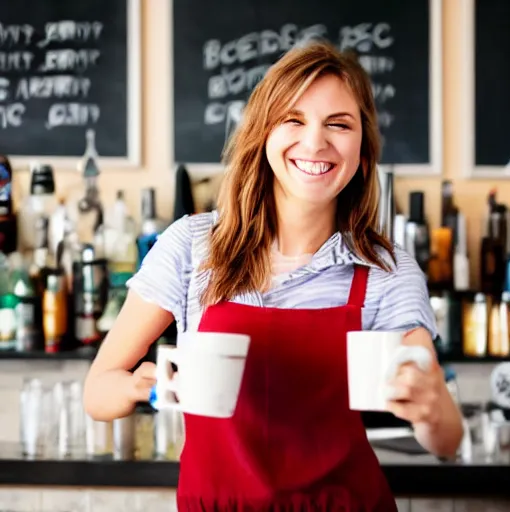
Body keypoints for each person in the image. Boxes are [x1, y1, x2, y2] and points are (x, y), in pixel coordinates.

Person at [84, 41, 463, 511]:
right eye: (294, 120)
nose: (315, 143)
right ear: (263, 134)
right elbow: (97, 391)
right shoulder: (191, 246)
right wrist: (145, 386)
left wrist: (430, 410)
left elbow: (446, 441)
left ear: (363, 151)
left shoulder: (386, 269)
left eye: (339, 125)